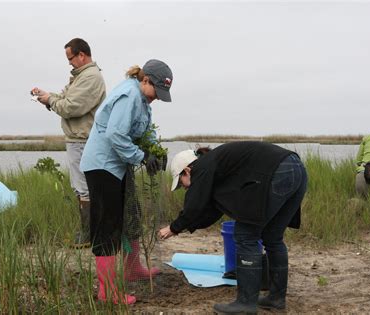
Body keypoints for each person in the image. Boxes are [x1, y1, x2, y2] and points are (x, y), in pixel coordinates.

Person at [158, 141, 308, 314]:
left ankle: (245, 303)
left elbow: (194, 207)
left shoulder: (202, 168)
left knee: (246, 235)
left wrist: (173, 228)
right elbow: (211, 211)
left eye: (182, 183)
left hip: (279, 171)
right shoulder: (215, 166)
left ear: (187, 170)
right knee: (273, 237)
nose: (184, 188)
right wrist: (185, 226)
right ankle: (276, 299)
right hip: (297, 169)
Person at [80, 59, 173, 305]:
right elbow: (115, 134)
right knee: (107, 226)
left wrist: (156, 151)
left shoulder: (143, 102)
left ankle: (133, 270)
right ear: (145, 80)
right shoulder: (128, 95)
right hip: (102, 166)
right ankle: (107, 291)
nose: (158, 98)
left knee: (129, 216)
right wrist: (141, 156)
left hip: (118, 167)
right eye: (157, 92)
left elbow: (145, 132)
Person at [31, 38, 106, 248]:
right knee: (80, 187)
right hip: (78, 139)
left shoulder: (91, 78)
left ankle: (88, 235)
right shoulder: (81, 77)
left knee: (84, 188)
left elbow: (71, 107)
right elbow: (63, 98)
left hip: (83, 140)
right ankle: (88, 233)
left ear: (81, 55)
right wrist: (45, 96)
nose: (69, 63)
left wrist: (50, 101)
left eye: (70, 58)